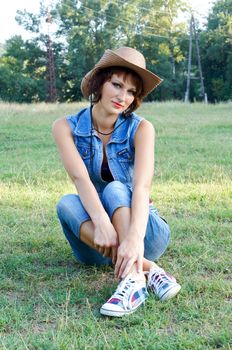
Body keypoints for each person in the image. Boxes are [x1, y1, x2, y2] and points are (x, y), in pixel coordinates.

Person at [52, 47, 181, 317]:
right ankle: (149, 271)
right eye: (117, 84)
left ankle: (133, 278)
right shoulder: (65, 127)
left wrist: (133, 239)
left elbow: (143, 187)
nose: (124, 96)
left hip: (144, 232)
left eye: (132, 91)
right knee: (66, 203)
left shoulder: (142, 128)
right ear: (100, 83)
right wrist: (100, 222)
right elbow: (79, 178)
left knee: (116, 188)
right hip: (98, 242)